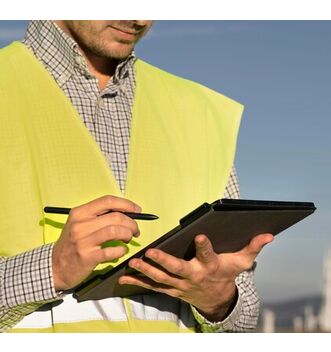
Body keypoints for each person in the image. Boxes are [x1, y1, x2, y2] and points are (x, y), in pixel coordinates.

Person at [0, 20, 273, 332]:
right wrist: (51, 269)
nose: (140, 19)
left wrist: (219, 301)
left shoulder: (198, 111)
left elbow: (242, 319)